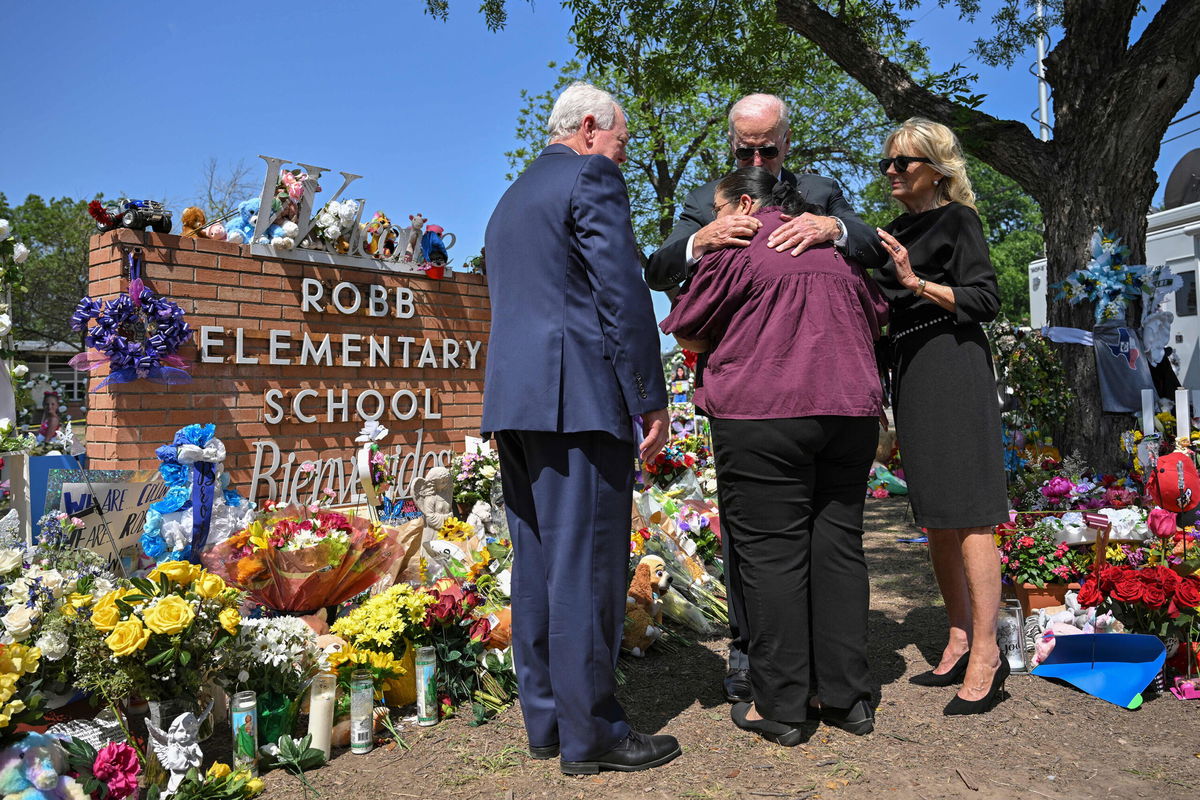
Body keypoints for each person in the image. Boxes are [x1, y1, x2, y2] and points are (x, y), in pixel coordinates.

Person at [647, 93, 888, 706]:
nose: (755, 157)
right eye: (744, 149)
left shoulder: (821, 192)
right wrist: (702, 239)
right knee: (802, 545)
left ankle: (784, 695)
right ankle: (793, 671)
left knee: (779, 549)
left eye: (767, 148)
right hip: (840, 400)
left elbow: (870, 245)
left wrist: (835, 229)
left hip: (763, 399)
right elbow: (659, 267)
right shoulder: (708, 200)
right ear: (732, 147)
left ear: (787, 144)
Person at [482, 81, 678, 774]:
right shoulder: (591, 175)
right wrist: (650, 396)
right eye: (621, 140)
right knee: (589, 569)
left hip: (517, 402)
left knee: (537, 563)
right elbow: (622, 292)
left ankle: (547, 723)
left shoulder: (510, 199)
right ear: (591, 127)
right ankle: (592, 733)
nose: (621, 155)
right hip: (578, 401)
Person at [873, 118, 1010, 715]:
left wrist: (914, 281)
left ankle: (987, 650)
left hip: (953, 364)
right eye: (888, 163)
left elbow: (984, 299)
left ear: (936, 167)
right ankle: (956, 635)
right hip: (911, 371)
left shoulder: (960, 221)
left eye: (905, 161)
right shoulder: (892, 232)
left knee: (972, 514)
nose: (894, 171)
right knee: (935, 515)